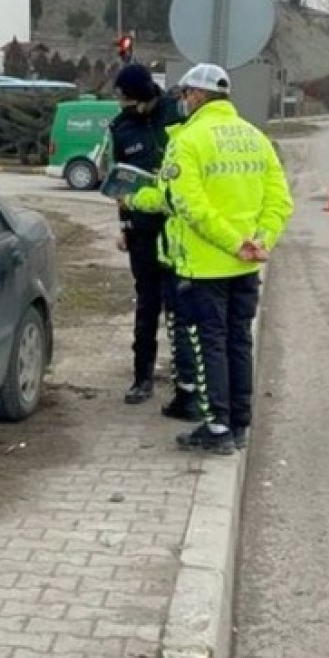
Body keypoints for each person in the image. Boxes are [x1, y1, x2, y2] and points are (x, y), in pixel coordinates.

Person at [126, 63, 294, 454]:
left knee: (208, 346)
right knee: (239, 343)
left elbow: (187, 204)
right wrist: (257, 241)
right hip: (246, 265)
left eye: (185, 95)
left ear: (198, 96)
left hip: (203, 266)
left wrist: (232, 243)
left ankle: (217, 426)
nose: (182, 102)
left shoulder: (188, 141)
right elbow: (280, 202)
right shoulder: (256, 138)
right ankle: (238, 422)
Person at [108, 63, 198, 418]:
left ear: (147, 95)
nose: (126, 106)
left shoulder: (177, 113)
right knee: (147, 306)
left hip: (179, 230)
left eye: (131, 100)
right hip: (143, 232)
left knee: (181, 306)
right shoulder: (121, 129)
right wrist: (124, 227)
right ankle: (141, 377)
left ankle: (185, 383)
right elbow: (120, 185)